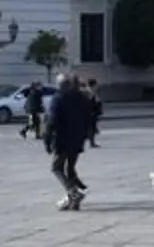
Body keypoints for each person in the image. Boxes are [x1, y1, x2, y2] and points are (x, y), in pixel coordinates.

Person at [45, 74, 93, 211]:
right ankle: (73, 202)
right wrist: (86, 135)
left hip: (62, 140)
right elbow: (88, 119)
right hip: (78, 139)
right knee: (70, 169)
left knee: (56, 168)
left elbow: (52, 121)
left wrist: (47, 140)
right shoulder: (82, 98)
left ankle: (73, 192)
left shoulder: (58, 98)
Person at [85, 79, 102, 148]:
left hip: (94, 112)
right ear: (93, 85)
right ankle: (91, 142)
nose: (97, 86)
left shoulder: (92, 92)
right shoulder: (89, 92)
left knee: (92, 127)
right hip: (91, 113)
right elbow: (90, 103)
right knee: (91, 128)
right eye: (96, 85)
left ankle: (92, 141)